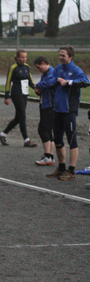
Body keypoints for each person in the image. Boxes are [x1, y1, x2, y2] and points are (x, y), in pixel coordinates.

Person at [39, 45, 89, 181]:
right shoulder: (58, 69)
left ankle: (71, 171)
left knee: (72, 139)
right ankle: (61, 168)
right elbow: (50, 80)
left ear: (71, 57)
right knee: (57, 139)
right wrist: (56, 80)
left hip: (69, 110)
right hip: (57, 109)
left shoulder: (76, 70)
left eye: (63, 55)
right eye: (60, 55)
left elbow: (86, 81)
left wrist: (69, 82)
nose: (60, 57)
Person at [0, 49, 38, 147]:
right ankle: (26, 140)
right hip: (16, 94)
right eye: (22, 57)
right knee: (22, 116)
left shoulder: (27, 67)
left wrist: (37, 88)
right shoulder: (13, 68)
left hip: (24, 93)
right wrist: (6, 96)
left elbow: (30, 80)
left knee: (18, 117)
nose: (24, 59)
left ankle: (2, 134)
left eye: (25, 57)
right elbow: (8, 82)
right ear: (17, 58)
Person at [33, 56, 56, 166]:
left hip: (50, 106)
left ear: (43, 63)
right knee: (48, 131)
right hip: (44, 104)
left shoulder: (52, 73)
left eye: (39, 67)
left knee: (42, 130)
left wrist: (38, 85)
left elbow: (50, 83)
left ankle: (47, 156)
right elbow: (43, 88)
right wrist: (38, 91)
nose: (39, 70)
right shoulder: (45, 75)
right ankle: (50, 156)